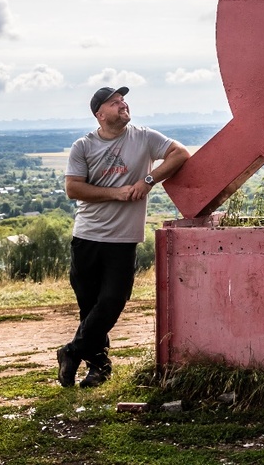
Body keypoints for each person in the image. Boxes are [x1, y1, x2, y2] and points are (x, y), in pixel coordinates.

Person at [57, 85, 190, 388]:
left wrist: (148, 180)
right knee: (90, 308)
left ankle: (71, 352)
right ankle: (98, 367)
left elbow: (180, 154)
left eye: (123, 100)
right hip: (87, 237)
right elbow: (73, 189)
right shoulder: (84, 146)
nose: (123, 104)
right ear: (100, 114)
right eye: (115, 103)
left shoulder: (144, 137)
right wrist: (116, 193)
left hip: (123, 240)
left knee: (113, 301)